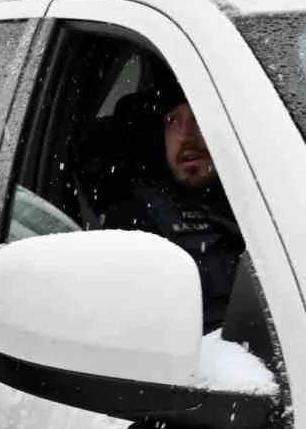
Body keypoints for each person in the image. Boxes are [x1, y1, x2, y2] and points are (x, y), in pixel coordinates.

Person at [104, 85, 244, 332]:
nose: (185, 136)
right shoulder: (138, 220)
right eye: (172, 121)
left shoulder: (267, 200)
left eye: (199, 117)